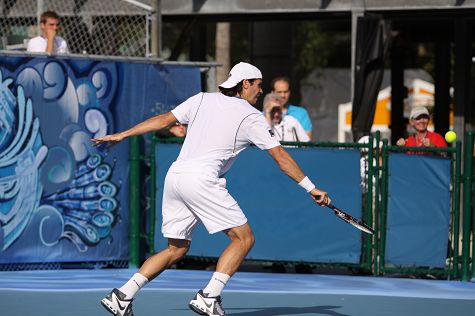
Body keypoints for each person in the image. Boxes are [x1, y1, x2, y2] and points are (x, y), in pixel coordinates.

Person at [92, 62, 330, 316]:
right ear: (245, 84)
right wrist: (310, 187)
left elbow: (164, 120)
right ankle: (209, 297)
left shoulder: (202, 99)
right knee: (244, 238)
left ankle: (122, 295)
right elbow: (280, 156)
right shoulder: (251, 117)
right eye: (259, 85)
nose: (261, 91)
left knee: (176, 248)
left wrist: (122, 135)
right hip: (201, 179)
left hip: (176, 176)